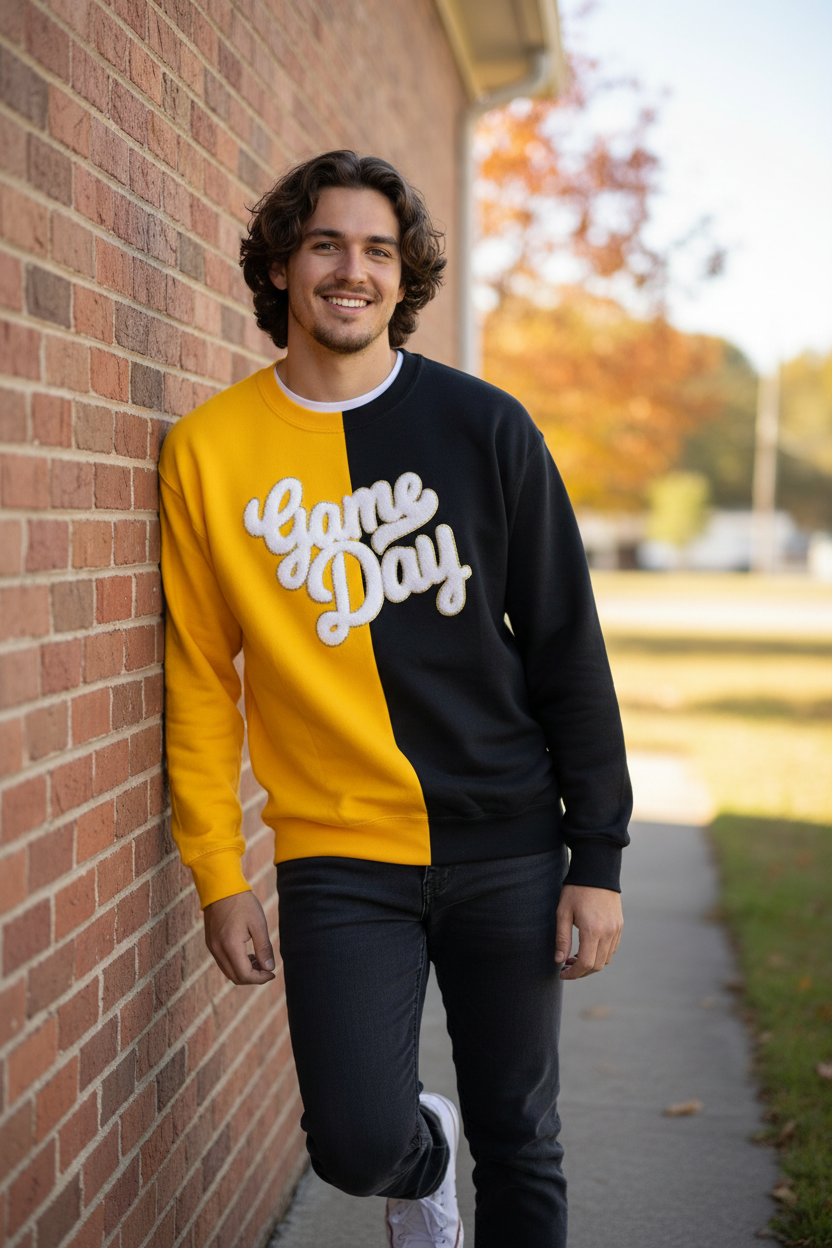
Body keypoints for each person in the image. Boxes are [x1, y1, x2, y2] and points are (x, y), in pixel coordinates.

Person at [159, 149, 631, 1248]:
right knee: (355, 1141)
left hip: (507, 841)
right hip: (339, 856)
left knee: (522, 1135)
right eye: (325, 243)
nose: (352, 270)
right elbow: (199, 679)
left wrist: (597, 858)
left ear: (404, 276)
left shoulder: (486, 427)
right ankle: (425, 1154)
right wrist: (219, 873)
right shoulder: (209, 452)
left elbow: (567, 647)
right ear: (280, 266)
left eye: (378, 250)